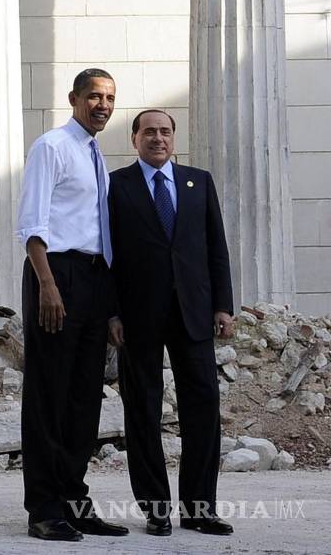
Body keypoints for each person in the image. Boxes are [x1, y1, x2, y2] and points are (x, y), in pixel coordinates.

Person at [107, 109, 235, 536]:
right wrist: (112, 312)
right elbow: (106, 255)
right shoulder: (116, 186)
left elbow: (216, 247)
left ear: (174, 138)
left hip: (194, 314)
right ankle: (156, 509)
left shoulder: (199, 182)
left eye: (165, 131)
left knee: (203, 410)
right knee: (142, 412)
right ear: (135, 138)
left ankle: (200, 509)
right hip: (138, 318)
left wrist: (223, 306)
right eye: (149, 132)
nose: (157, 138)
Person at [16, 68, 128, 541]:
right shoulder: (52, 147)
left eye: (109, 98)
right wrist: (47, 285)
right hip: (55, 272)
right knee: (49, 395)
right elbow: (32, 224)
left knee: (84, 397)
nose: (102, 105)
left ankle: (73, 499)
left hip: (93, 279)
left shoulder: (94, 151)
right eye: (94, 97)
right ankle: (44, 508)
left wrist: (110, 304)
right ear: (73, 99)